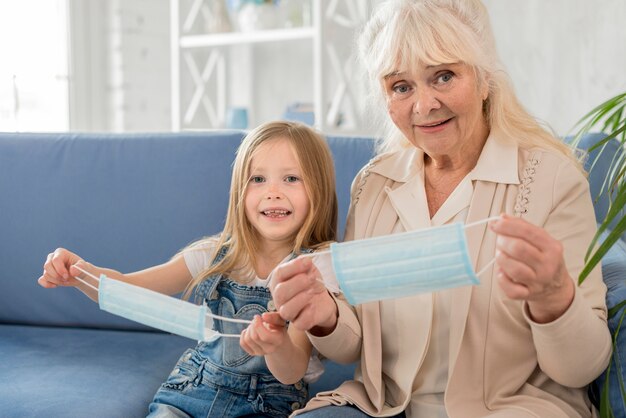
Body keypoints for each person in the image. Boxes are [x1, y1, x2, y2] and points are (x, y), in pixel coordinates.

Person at [268, 1, 612, 417]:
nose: (423, 105)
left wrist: (554, 298)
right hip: (385, 408)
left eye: (443, 76)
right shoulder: (373, 185)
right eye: (401, 87)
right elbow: (358, 344)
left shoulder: (552, 180)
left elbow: (582, 369)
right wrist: (325, 315)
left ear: (485, 79)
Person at [37, 121, 339, 418]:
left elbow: (292, 369)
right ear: (239, 191)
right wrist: (79, 272)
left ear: (319, 189)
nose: (272, 192)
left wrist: (276, 345)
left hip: (268, 405)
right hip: (193, 391)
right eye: (258, 179)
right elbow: (129, 289)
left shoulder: (314, 269)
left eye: (291, 179)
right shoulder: (214, 254)